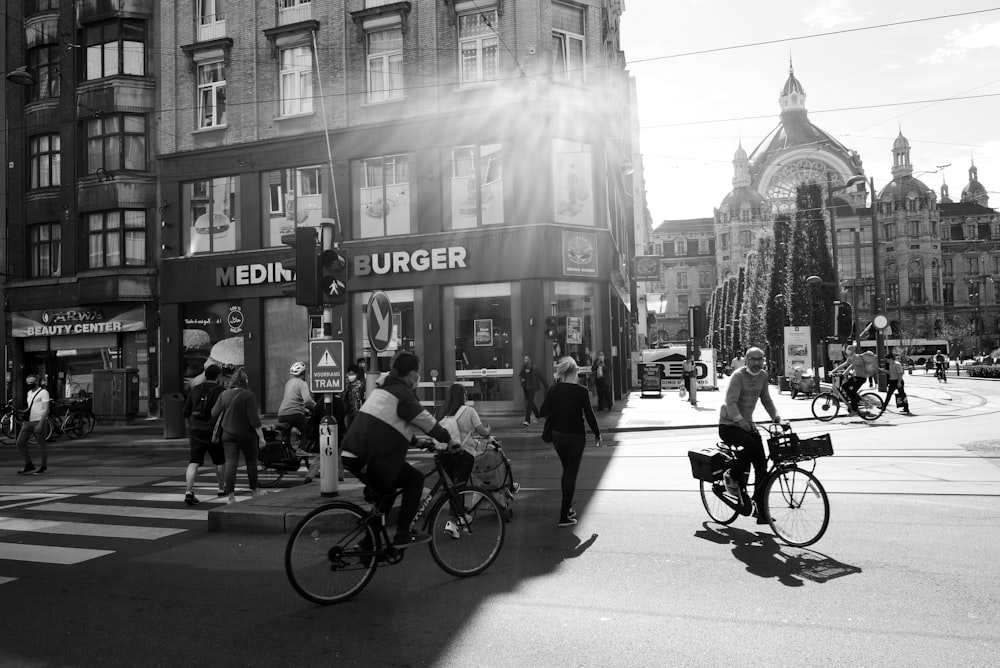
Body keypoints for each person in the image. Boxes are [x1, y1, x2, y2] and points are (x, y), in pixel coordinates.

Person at [340, 352, 462, 548]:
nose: (418, 377)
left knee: (385, 495)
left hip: (357, 453)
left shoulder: (384, 389)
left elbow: (389, 425)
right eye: (418, 372)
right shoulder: (402, 393)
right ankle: (402, 534)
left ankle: (368, 543)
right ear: (412, 374)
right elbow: (428, 422)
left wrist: (419, 442)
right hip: (363, 455)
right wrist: (450, 441)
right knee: (415, 480)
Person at [719, 346, 781, 524]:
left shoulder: (762, 376)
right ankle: (732, 476)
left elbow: (766, 399)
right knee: (751, 447)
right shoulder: (738, 376)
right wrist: (739, 420)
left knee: (762, 466)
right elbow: (730, 402)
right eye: (752, 359)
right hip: (729, 425)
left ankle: (761, 511)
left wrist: (776, 417)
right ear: (746, 360)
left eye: (760, 359)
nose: (756, 363)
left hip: (747, 425)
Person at [539, 356, 602, 527]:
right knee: (571, 474)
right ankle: (563, 515)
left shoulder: (554, 389)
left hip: (558, 436)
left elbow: (543, 411)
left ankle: (567, 509)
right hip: (576, 437)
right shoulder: (581, 391)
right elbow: (589, 414)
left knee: (567, 471)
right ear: (575, 373)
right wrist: (597, 434)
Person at [435, 383, 492, 538]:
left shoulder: (441, 411)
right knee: (459, 487)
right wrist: (488, 431)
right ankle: (452, 522)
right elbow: (481, 431)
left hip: (444, 454)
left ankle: (461, 516)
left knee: (453, 485)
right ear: (463, 396)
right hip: (463, 454)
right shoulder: (469, 411)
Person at [212, 369, 266, 504]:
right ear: (245, 381)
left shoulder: (224, 394)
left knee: (231, 465)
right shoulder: (248, 395)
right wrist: (261, 437)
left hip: (228, 435)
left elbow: (214, 413)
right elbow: (254, 419)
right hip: (247, 435)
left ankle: (230, 496)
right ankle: (254, 491)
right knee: (251, 463)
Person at [181, 364, 226, 504]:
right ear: (218, 376)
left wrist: (191, 426)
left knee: (193, 461)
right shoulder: (222, 391)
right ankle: (221, 488)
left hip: (195, 430)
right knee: (219, 460)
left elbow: (185, 412)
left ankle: (188, 491)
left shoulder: (195, 390)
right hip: (213, 431)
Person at [277, 361, 317, 455]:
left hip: (282, 414)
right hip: (295, 414)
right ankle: (301, 449)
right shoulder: (302, 384)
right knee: (309, 430)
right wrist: (316, 407)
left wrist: (304, 409)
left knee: (286, 439)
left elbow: (292, 399)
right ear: (303, 373)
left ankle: (286, 456)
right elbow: (307, 400)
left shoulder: (289, 382)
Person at [15, 375, 51, 475]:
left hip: (39, 421)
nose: (29, 384)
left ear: (36, 382)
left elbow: (46, 409)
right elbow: (31, 407)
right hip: (28, 422)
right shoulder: (29, 393)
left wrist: (40, 424)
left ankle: (43, 466)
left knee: (41, 444)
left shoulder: (43, 393)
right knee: (20, 442)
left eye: (32, 382)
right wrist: (22, 412)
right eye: (28, 383)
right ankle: (29, 465)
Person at [832, 344, 866, 414]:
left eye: (849, 349)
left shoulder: (856, 357)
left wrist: (847, 371)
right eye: (847, 349)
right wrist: (833, 371)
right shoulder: (850, 358)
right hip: (856, 377)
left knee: (853, 392)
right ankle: (855, 399)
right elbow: (843, 365)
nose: (847, 350)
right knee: (844, 386)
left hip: (861, 377)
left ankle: (855, 409)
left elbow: (854, 364)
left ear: (853, 350)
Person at [519, 355, 547, 426]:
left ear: (530, 360)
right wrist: (522, 380)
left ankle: (527, 420)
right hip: (526, 387)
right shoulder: (523, 368)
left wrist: (546, 385)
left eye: (526, 359)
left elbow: (541, 377)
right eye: (524, 359)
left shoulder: (534, 368)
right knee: (530, 402)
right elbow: (521, 375)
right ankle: (538, 415)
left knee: (529, 404)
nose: (524, 360)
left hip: (533, 387)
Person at [342, 364, 366, 430]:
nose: (350, 376)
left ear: (357, 375)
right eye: (349, 374)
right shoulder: (347, 386)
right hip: (349, 413)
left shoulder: (360, 386)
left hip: (357, 413)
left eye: (352, 374)